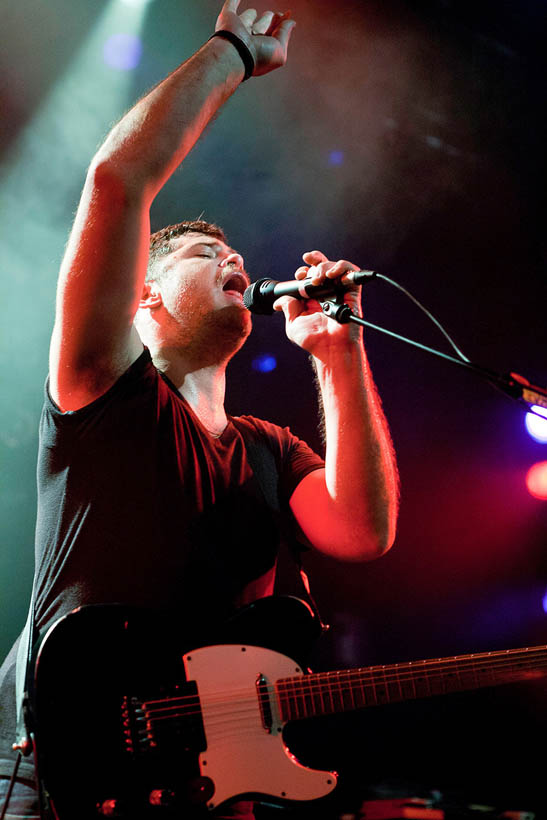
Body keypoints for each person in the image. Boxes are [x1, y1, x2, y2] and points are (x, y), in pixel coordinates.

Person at [0, 1, 399, 817]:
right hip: (70, 780)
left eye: (233, 252)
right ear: (143, 298)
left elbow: (361, 530)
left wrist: (337, 352)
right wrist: (230, 54)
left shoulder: (267, 448)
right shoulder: (105, 389)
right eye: (205, 254)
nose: (236, 259)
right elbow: (117, 180)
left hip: (211, 786)